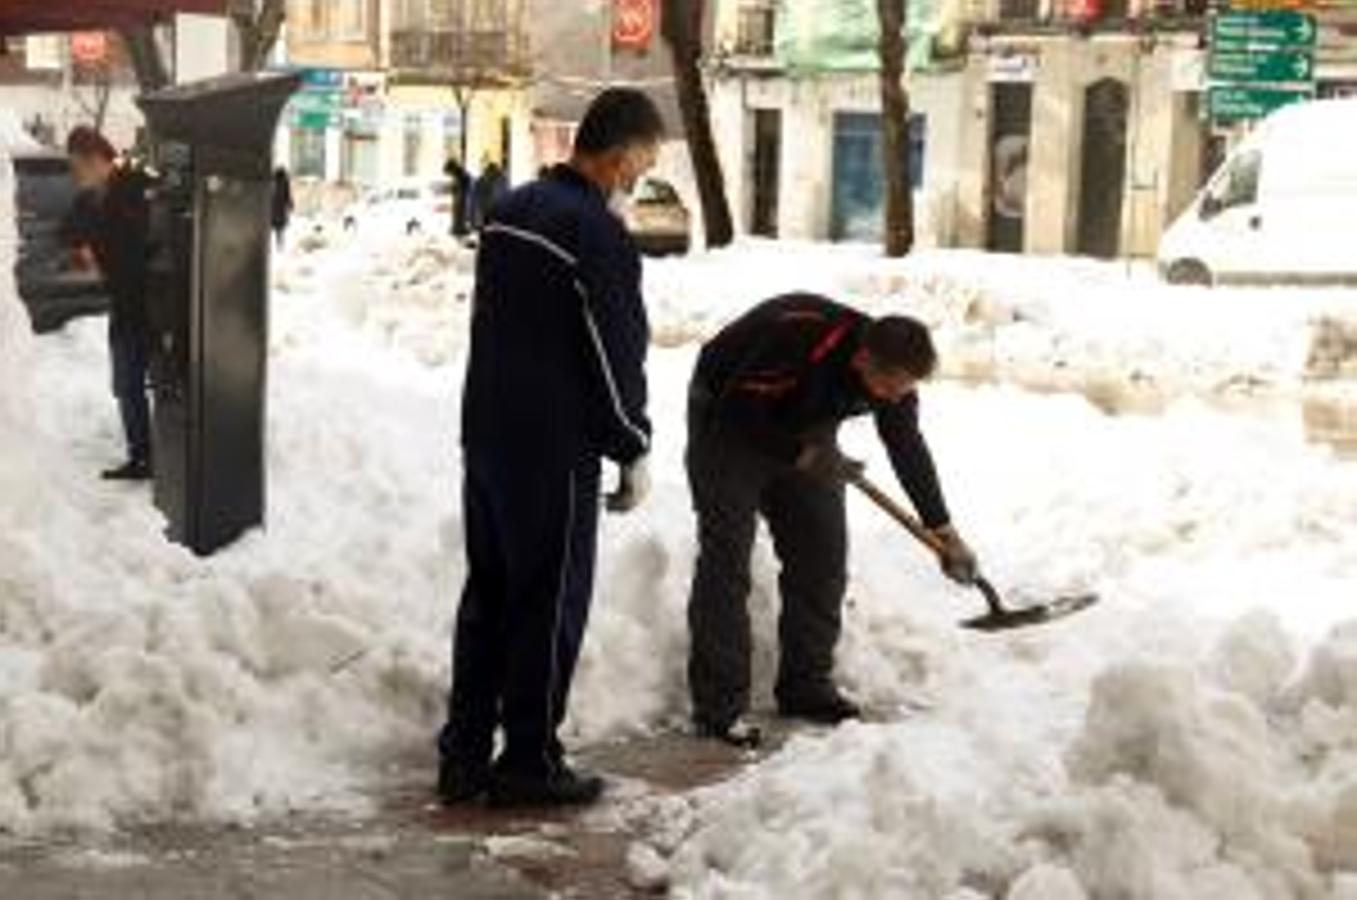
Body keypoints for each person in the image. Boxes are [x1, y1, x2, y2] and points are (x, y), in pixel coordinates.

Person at [438, 88, 664, 808]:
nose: (643, 171)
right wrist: (629, 442)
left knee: (491, 594)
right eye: (646, 156)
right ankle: (529, 760)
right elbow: (611, 348)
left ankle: (464, 754)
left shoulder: (509, 212)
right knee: (547, 600)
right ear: (622, 151)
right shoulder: (592, 233)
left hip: (488, 431)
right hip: (550, 444)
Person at [685, 294, 979, 747]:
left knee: (822, 558)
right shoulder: (799, 334)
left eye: (907, 388)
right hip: (727, 418)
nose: (899, 397)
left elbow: (905, 445)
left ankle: (806, 687)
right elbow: (740, 413)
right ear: (863, 359)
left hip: (807, 425)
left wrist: (944, 531)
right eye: (893, 387)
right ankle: (718, 708)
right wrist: (802, 457)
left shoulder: (893, 371)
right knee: (727, 563)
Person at [64, 126, 154, 481]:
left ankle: (161, 456)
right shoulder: (90, 198)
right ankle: (143, 456)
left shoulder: (136, 184)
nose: (74, 175)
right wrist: (81, 245)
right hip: (125, 305)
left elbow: (150, 241)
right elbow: (68, 229)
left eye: (76, 166)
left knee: (156, 383)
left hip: (153, 305)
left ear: (95, 158)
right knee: (126, 384)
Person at [471, 157, 508, 232]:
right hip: (487, 213)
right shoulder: (480, 181)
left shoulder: (502, 180)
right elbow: (476, 201)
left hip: (496, 213)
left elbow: (505, 195)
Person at [442, 156, 472, 237]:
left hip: (462, 201)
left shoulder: (463, 176)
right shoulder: (459, 176)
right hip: (461, 200)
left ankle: (459, 229)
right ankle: (457, 228)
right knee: (458, 213)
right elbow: (455, 189)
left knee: (460, 213)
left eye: (449, 173)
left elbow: (461, 192)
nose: (450, 175)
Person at [271, 166, 293, 249]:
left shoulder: (273, 182)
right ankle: (279, 244)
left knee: (278, 228)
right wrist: (290, 205)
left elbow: (287, 195)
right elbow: (287, 195)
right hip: (279, 208)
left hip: (275, 207)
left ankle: (279, 244)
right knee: (279, 229)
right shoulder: (284, 182)